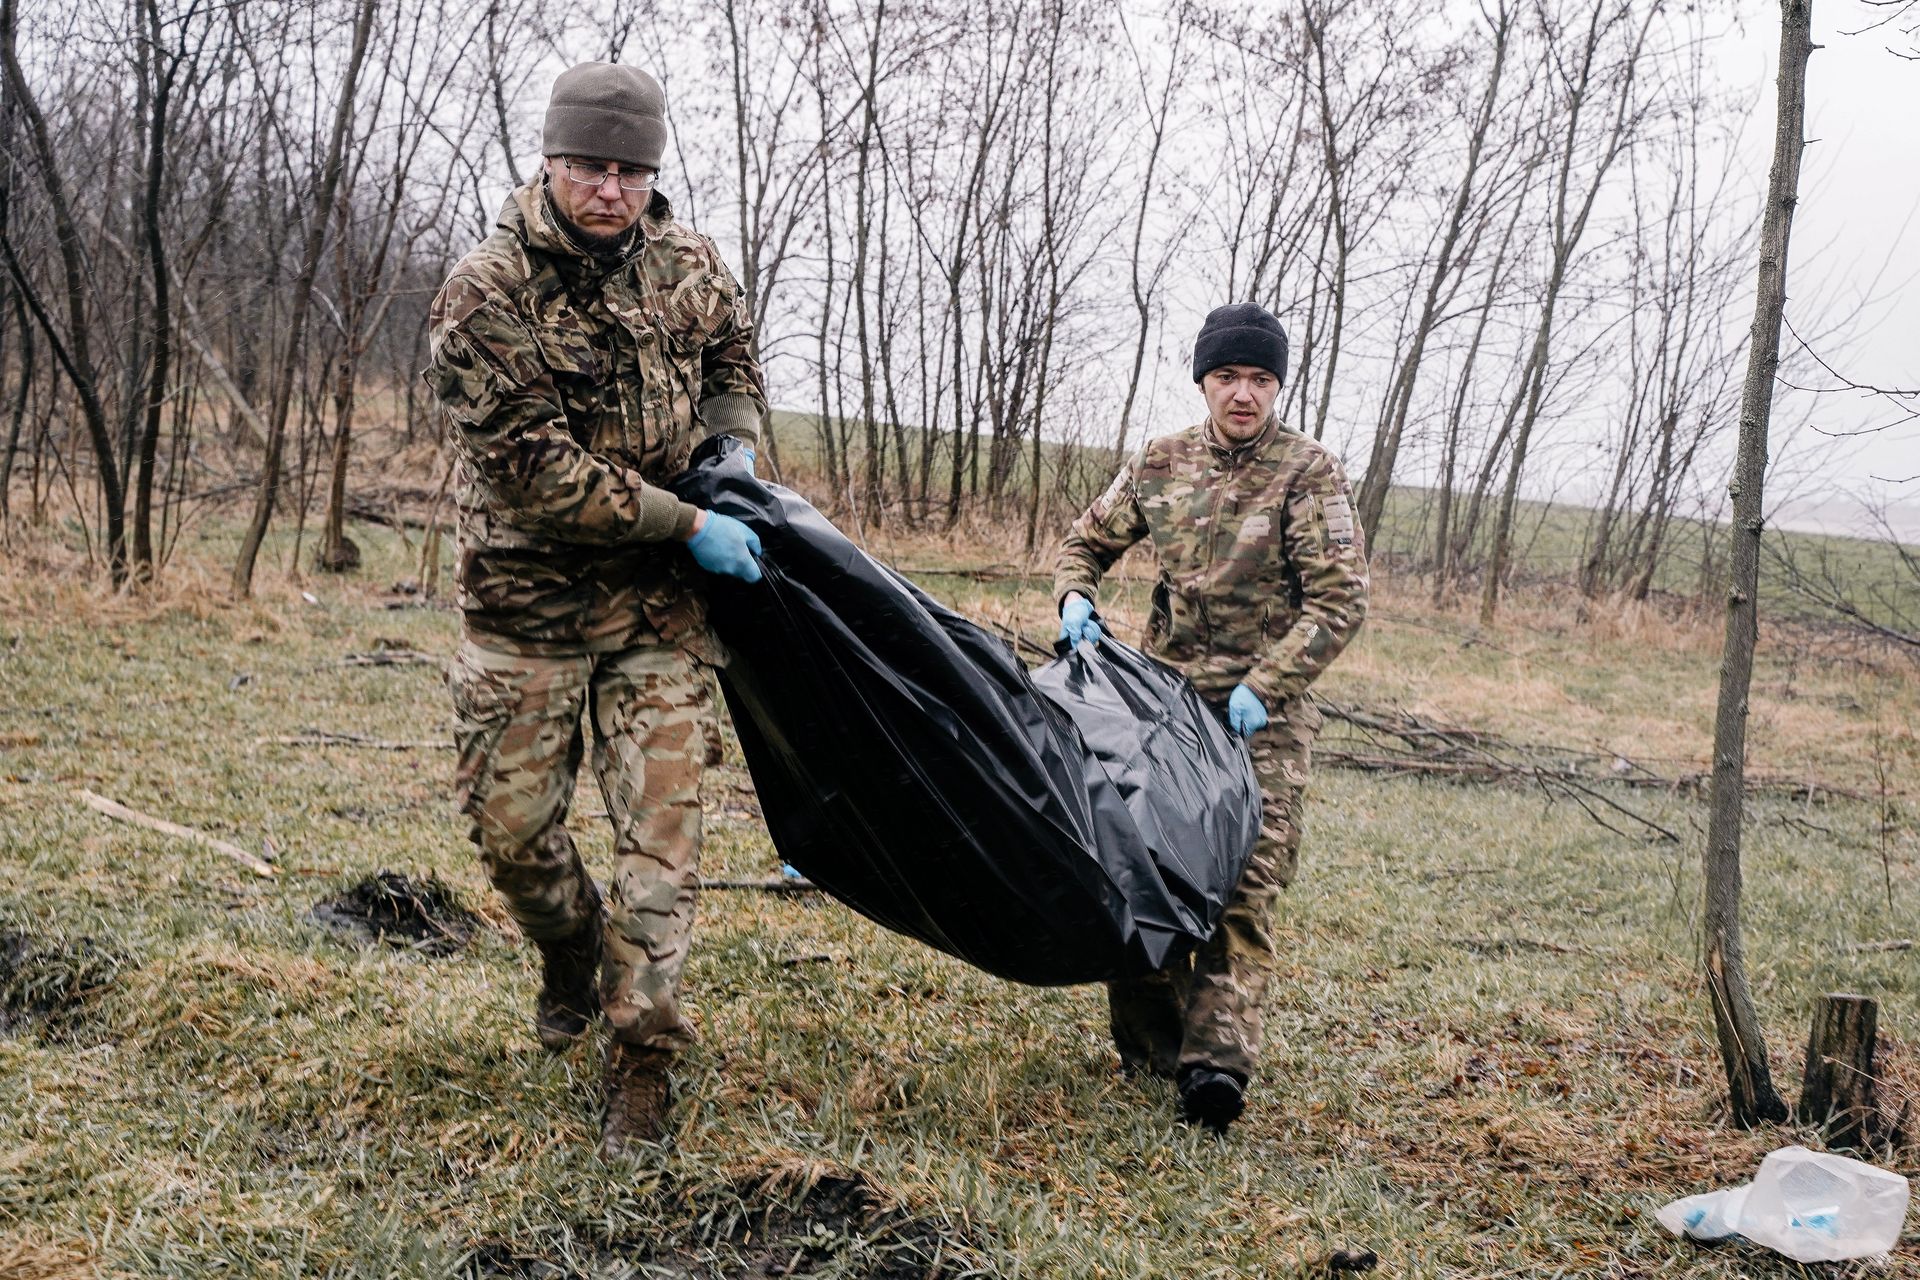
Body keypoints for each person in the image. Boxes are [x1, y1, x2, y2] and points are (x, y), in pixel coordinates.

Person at [424, 62, 766, 1156]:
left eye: (632, 171)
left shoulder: (690, 263)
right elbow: (539, 475)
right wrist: (688, 522)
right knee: (515, 835)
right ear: (550, 162)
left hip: (656, 615)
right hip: (526, 605)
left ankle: (642, 1060)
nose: (612, 190)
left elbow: (731, 354)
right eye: (591, 168)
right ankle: (568, 949)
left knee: (663, 845)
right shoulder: (482, 294)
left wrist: (734, 441)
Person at [1051, 303, 1369, 1133]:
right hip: (1164, 712)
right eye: (1228, 376)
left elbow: (1342, 600)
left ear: (1277, 388)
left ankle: (1215, 1069)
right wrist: (1076, 598)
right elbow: (1082, 543)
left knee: (1244, 887)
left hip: (1266, 718)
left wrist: (1269, 683)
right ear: (1203, 381)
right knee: (1141, 873)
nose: (1243, 394)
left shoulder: (1309, 473)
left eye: (1261, 379)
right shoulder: (1160, 462)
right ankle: (1154, 1050)